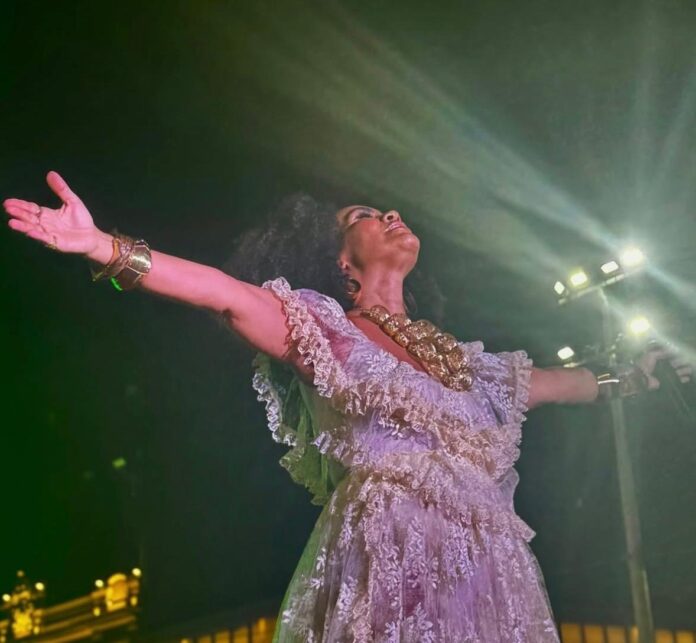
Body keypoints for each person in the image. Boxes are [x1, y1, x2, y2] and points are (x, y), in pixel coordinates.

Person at [4, 171, 692, 642]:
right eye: (363, 216)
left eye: (386, 209)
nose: (390, 214)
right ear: (339, 260)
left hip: (489, 580)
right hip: (388, 563)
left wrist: (637, 377)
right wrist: (101, 245)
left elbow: (569, 383)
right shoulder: (322, 330)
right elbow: (221, 292)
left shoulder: (474, 366)